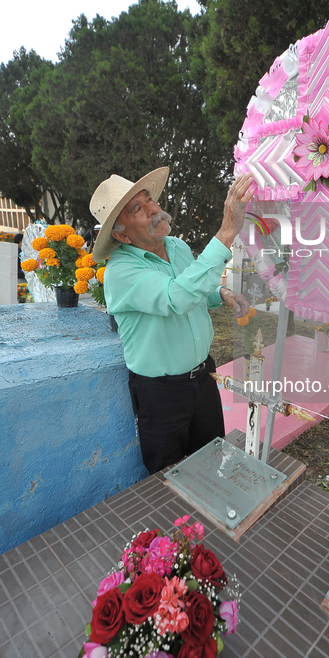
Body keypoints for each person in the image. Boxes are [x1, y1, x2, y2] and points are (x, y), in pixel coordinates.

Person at [89, 168, 254, 475]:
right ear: (121, 234)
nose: (154, 209)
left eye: (149, 199)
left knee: (212, 462)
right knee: (168, 479)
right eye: (138, 209)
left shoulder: (176, 247)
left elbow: (195, 292)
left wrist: (220, 292)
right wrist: (226, 233)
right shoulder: (121, 272)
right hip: (161, 393)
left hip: (204, 378)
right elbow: (176, 297)